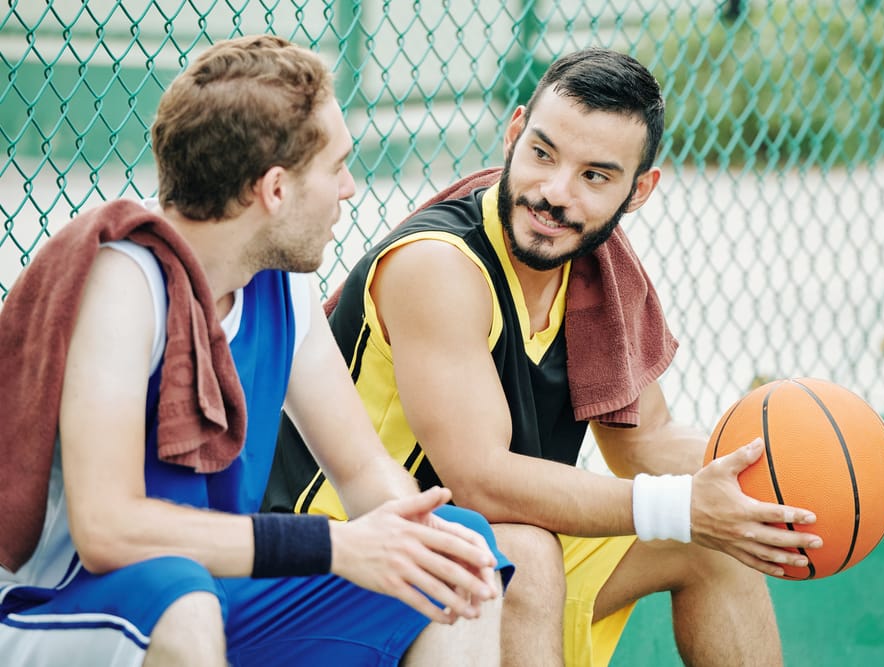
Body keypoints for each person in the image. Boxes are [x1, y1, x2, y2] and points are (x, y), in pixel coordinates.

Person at [265, 48, 821, 666]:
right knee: (522, 555)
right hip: (353, 547)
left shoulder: (597, 266)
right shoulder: (437, 265)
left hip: (484, 539)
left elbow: (645, 444)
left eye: (595, 176)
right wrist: (681, 505)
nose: (554, 194)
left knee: (712, 545)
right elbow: (480, 481)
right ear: (514, 132)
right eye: (542, 154)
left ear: (638, 191)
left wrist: (778, 482)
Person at [0, 35, 513, 667]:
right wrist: (335, 546)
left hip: (222, 588)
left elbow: (360, 472)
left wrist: (409, 534)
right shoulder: (126, 284)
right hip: (68, 606)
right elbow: (108, 530)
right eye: (337, 166)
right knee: (181, 601)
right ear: (274, 189)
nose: (349, 188)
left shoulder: (278, 285)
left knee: (459, 553)